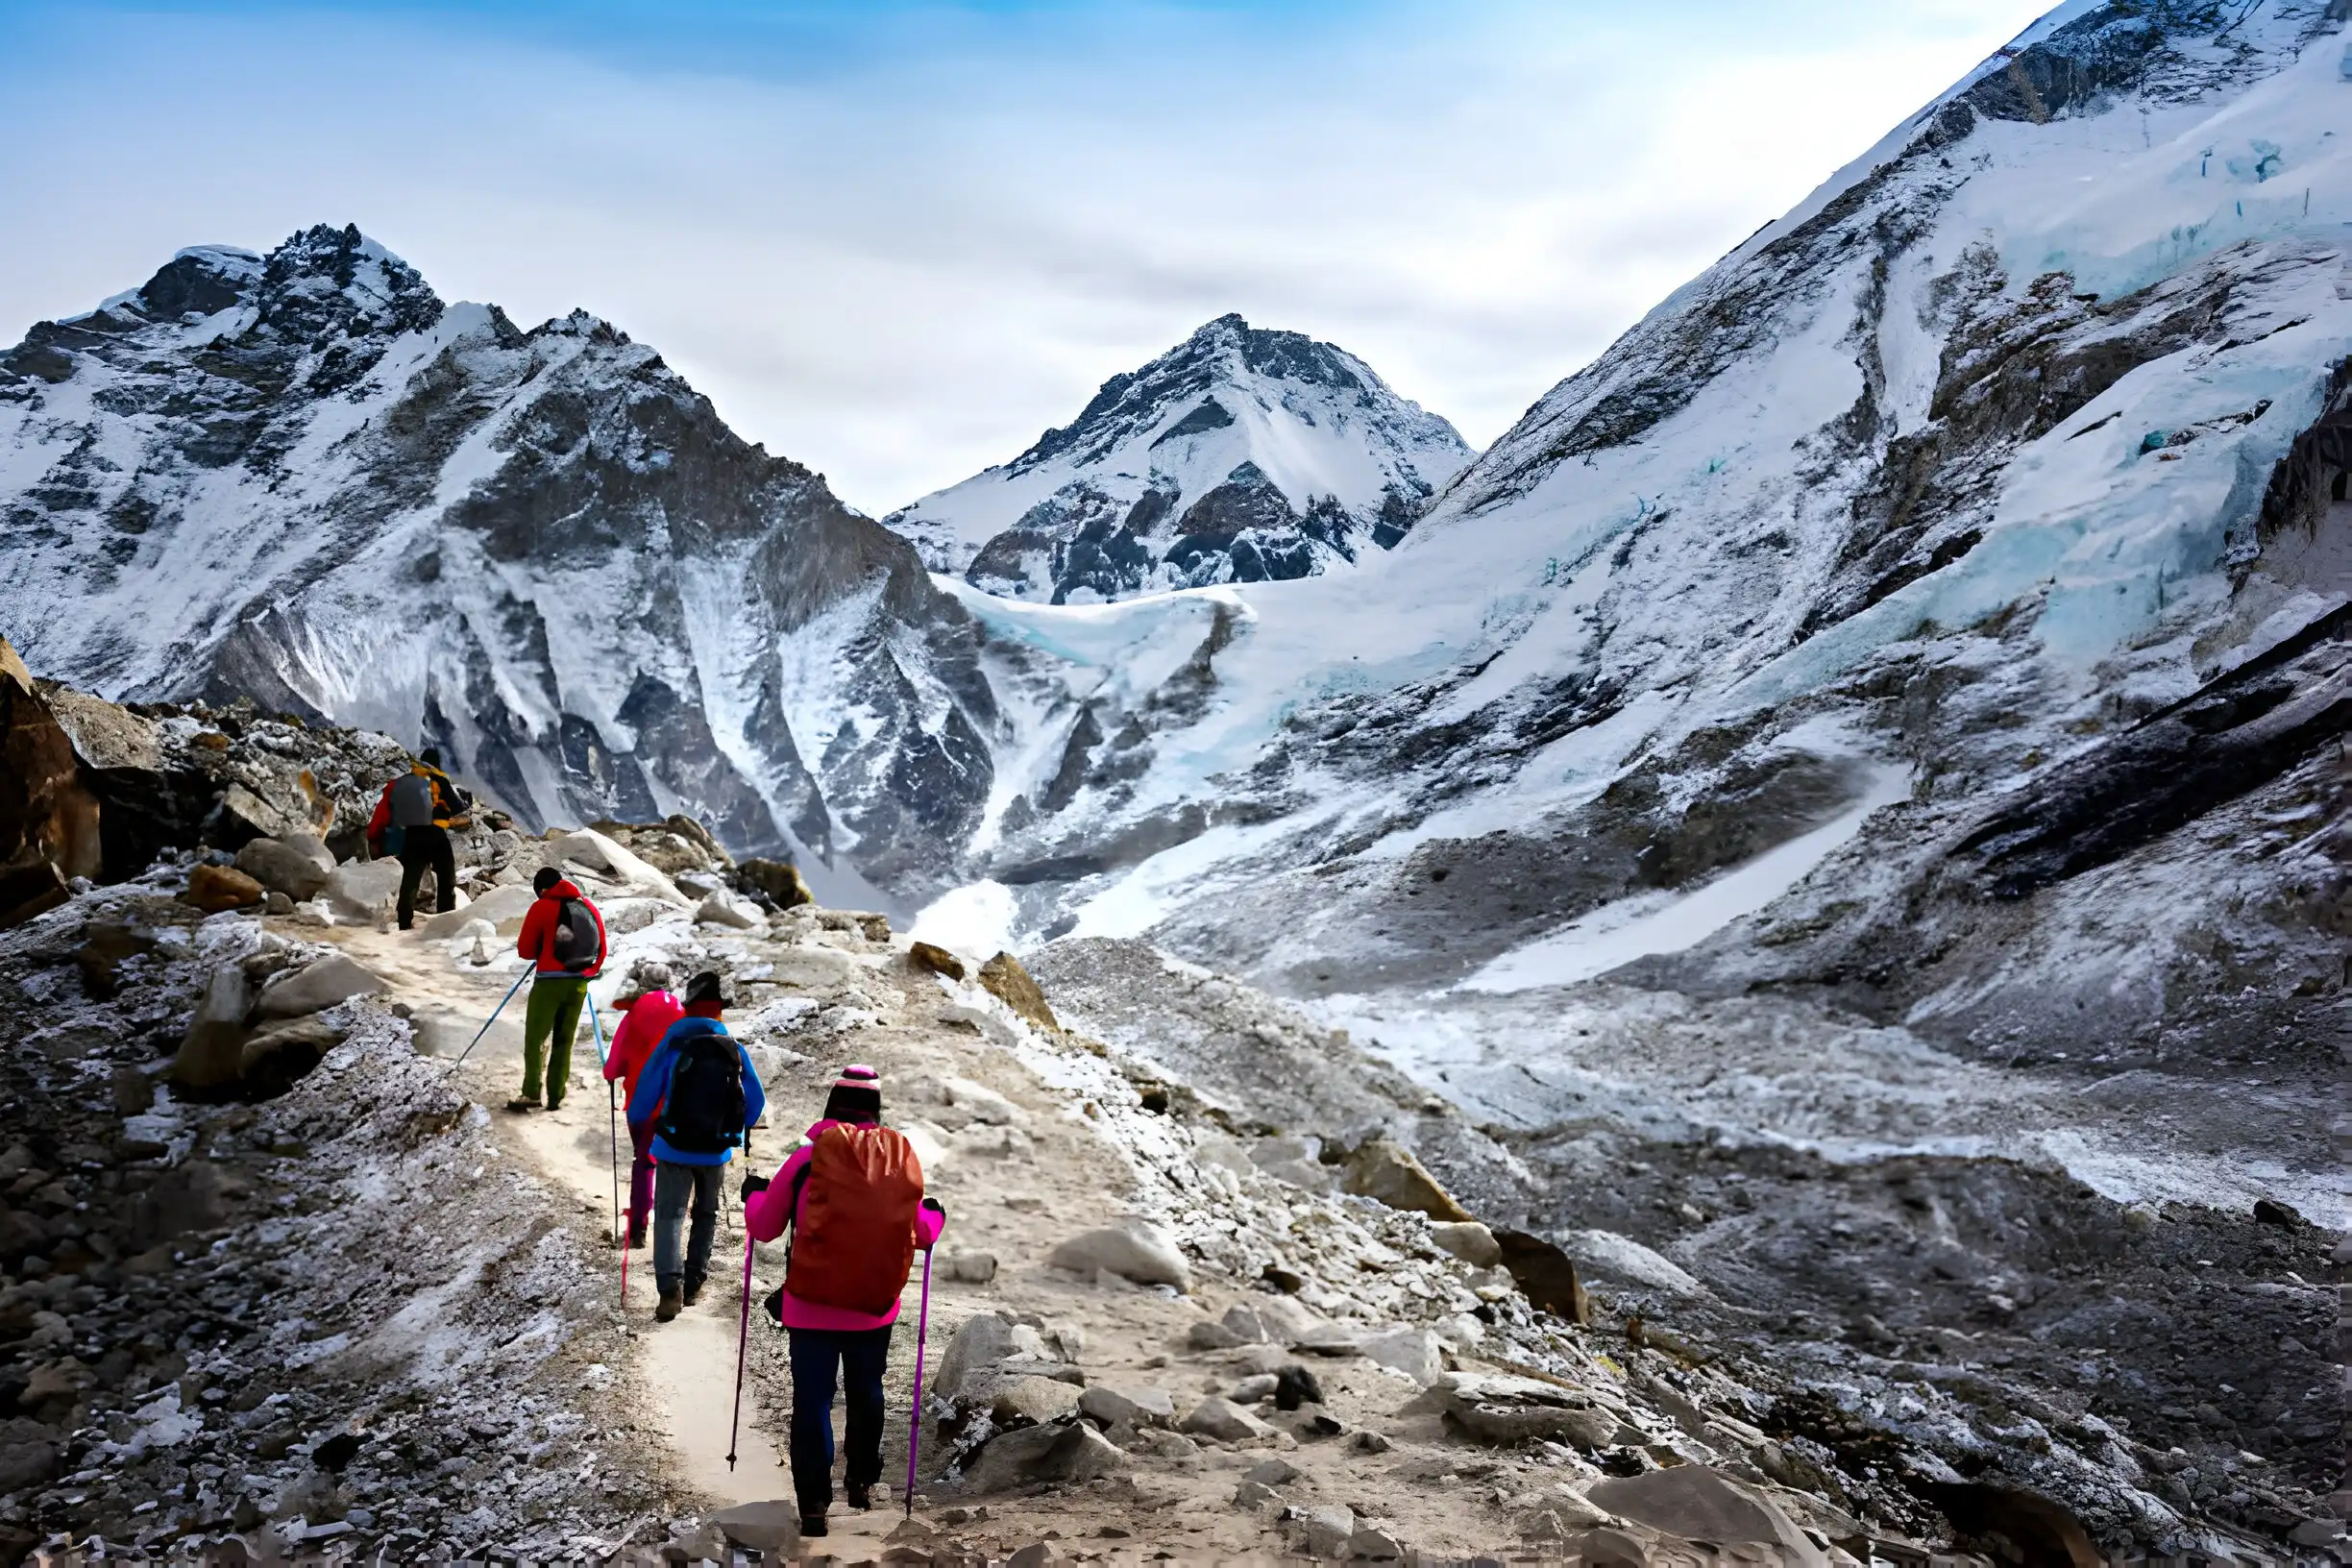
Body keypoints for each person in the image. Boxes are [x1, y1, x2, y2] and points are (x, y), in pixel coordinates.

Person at [742, 1065, 943, 1536]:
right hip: (873, 1307)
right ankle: (861, 1480)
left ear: (831, 1107)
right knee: (867, 1390)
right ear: (876, 1112)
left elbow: (765, 1227)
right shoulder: (894, 1163)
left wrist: (754, 1195)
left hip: (810, 1305)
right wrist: (935, 1215)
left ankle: (813, 1506)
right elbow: (922, 1234)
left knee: (812, 1399)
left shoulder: (807, 1159)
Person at [627, 970, 766, 1322]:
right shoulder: (733, 1048)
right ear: (719, 1011)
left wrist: (642, 1119)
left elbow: (646, 1094)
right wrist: (736, 1129)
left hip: (674, 1145)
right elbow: (756, 1099)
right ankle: (694, 1283)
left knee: (671, 1216)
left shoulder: (673, 1044)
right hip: (715, 1149)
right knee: (707, 1214)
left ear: (687, 1010)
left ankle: (668, 1291)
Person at [510, 866, 606, 1113]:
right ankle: (556, 1096)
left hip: (549, 984)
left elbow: (525, 950)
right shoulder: (587, 907)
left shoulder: (541, 906)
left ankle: (531, 1092)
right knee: (564, 1041)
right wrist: (583, 973)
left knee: (536, 1039)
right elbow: (601, 950)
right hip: (578, 985)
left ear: (542, 889)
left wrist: (545, 951)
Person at [601, 960, 682, 1249]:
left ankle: (638, 1229)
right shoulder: (682, 1012)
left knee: (644, 1162)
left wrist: (612, 1071)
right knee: (675, 1164)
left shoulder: (634, 1013)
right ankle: (670, 1232)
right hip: (679, 1102)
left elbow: (614, 1067)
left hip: (642, 1103)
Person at [368, 747, 471, 931]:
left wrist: (374, 837)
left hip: (411, 836)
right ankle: (444, 923)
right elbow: (457, 808)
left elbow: (383, 813)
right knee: (446, 879)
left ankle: (404, 923)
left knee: (410, 881)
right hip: (436, 835)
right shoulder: (440, 781)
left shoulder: (400, 783)